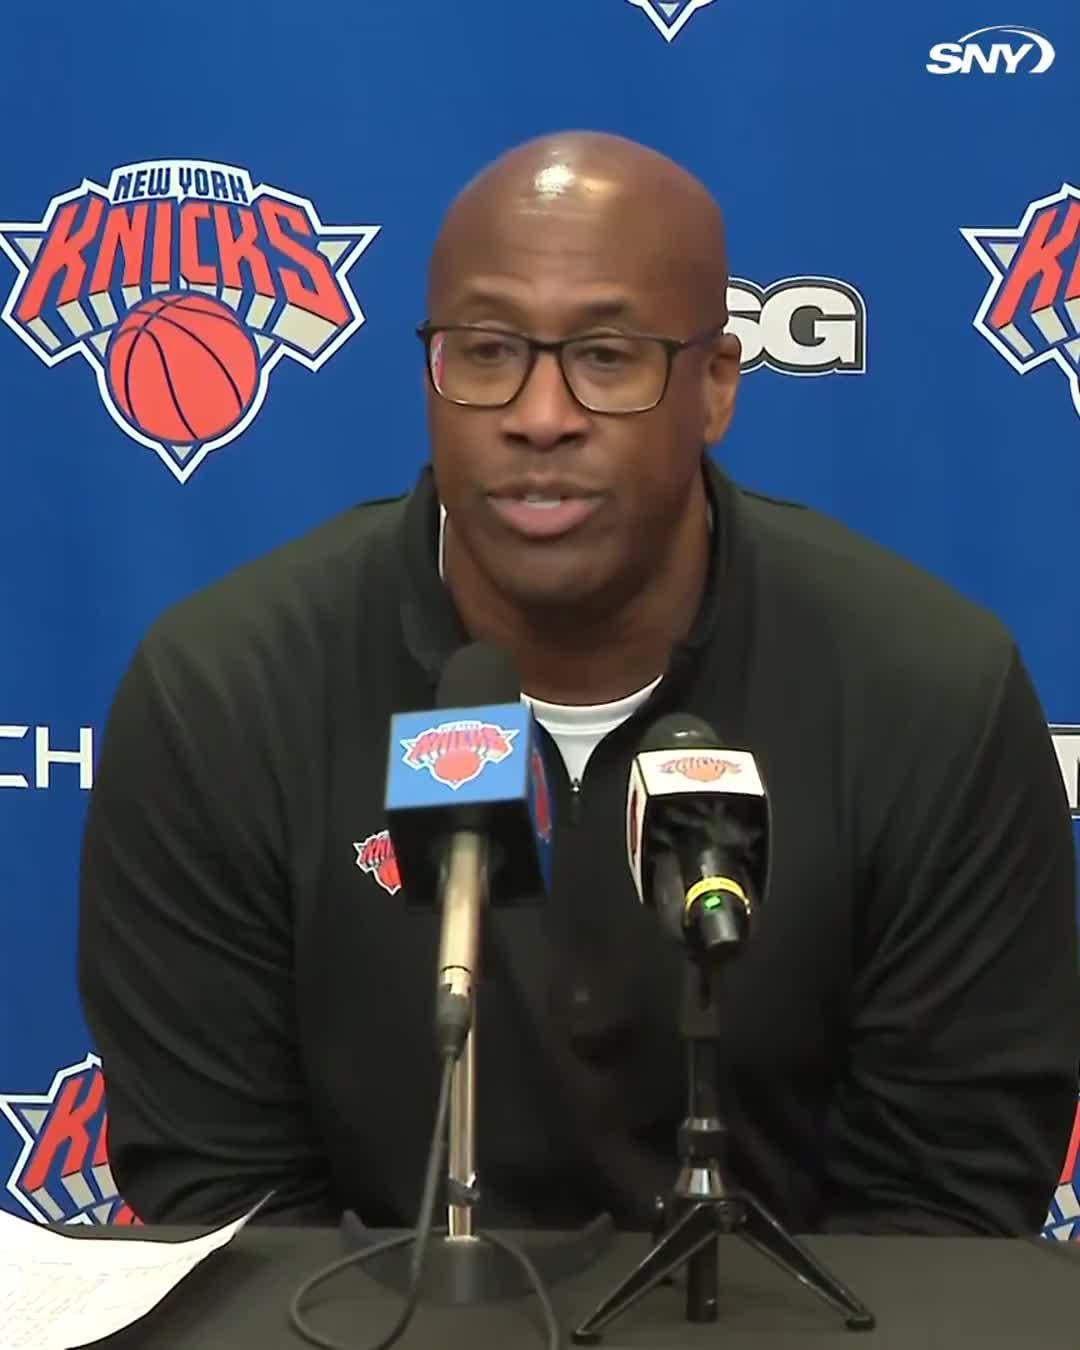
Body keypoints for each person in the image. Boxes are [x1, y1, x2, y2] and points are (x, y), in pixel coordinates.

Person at [78, 130, 1078, 1236]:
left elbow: (946, 1207)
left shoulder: (928, 691)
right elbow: (225, 1210)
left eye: (607, 357)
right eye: (487, 350)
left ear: (715, 385)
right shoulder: (223, 694)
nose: (540, 415)